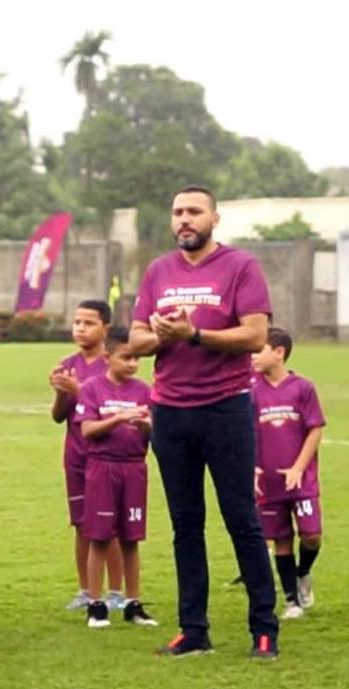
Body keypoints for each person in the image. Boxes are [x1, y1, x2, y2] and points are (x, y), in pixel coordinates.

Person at [129, 185, 279, 659]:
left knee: (242, 519)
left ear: (215, 218)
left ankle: (264, 628)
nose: (184, 220)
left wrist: (193, 333)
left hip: (226, 408)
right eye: (177, 212)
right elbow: (134, 339)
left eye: (194, 211)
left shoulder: (240, 267)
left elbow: (256, 335)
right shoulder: (158, 271)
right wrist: (160, 335)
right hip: (170, 412)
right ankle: (193, 630)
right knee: (185, 524)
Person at [76, 327, 157, 628]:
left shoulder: (144, 390)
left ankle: (133, 603)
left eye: (137, 358)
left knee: (131, 538)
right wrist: (119, 418)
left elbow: (154, 431)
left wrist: (146, 426)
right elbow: (86, 430)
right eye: (126, 358)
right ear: (108, 358)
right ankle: (96, 604)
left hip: (134, 467)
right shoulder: (92, 388)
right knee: (99, 536)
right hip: (102, 468)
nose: (133, 364)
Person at [50, 300, 125, 611]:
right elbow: (58, 416)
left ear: (105, 328)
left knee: (110, 526)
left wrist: (78, 389)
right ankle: (85, 590)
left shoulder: (113, 365)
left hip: (106, 458)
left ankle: (117, 592)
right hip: (76, 456)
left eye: (88, 323)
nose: (80, 328)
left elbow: (107, 405)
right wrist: (60, 392)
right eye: (77, 322)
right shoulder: (68, 364)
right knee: (82, 525)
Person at [250, 327, 326, 620]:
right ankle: (292, 600)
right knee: (280, 540)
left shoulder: (302, 388)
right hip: (269, 482)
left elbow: (315, 429)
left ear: (279, 352)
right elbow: (248, 433)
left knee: (311, 536)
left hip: (301, 480)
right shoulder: (253, 393)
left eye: (259, 351)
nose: (253, 357)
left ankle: (303, 571)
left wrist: (298, 467)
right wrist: (252, 467)